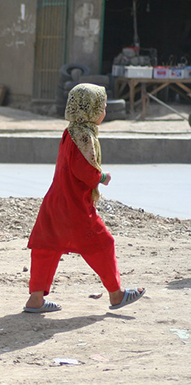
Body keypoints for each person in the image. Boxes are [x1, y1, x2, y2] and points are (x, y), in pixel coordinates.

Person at [23, 84, 145, 313]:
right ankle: (116, 294)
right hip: (75, 206)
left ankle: (35, 299)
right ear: (91, 109)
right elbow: (85, 172)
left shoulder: (70, 131)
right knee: (103, 244)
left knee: (46, 247)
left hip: (55, 201)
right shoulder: (85, 136)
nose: (105, 111)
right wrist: (102, 176)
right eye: (103, 106)